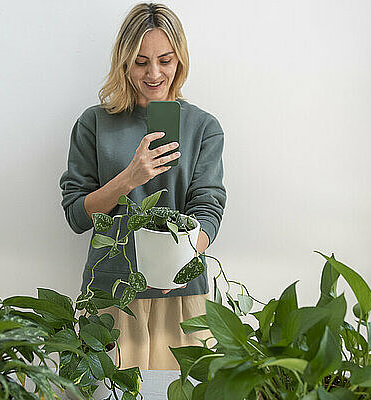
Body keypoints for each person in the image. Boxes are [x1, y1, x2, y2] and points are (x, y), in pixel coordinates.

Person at [59, 3, 226, 370]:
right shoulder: (94, 124)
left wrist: (178, 264)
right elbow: (76, 215)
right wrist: (130, 177)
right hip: (111, 293)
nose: (154, 73)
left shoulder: (203, 127)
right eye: (140, 61)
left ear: (179, 60)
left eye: (165, 60)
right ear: (124, 60)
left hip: (181, 294)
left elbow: (209, 207)